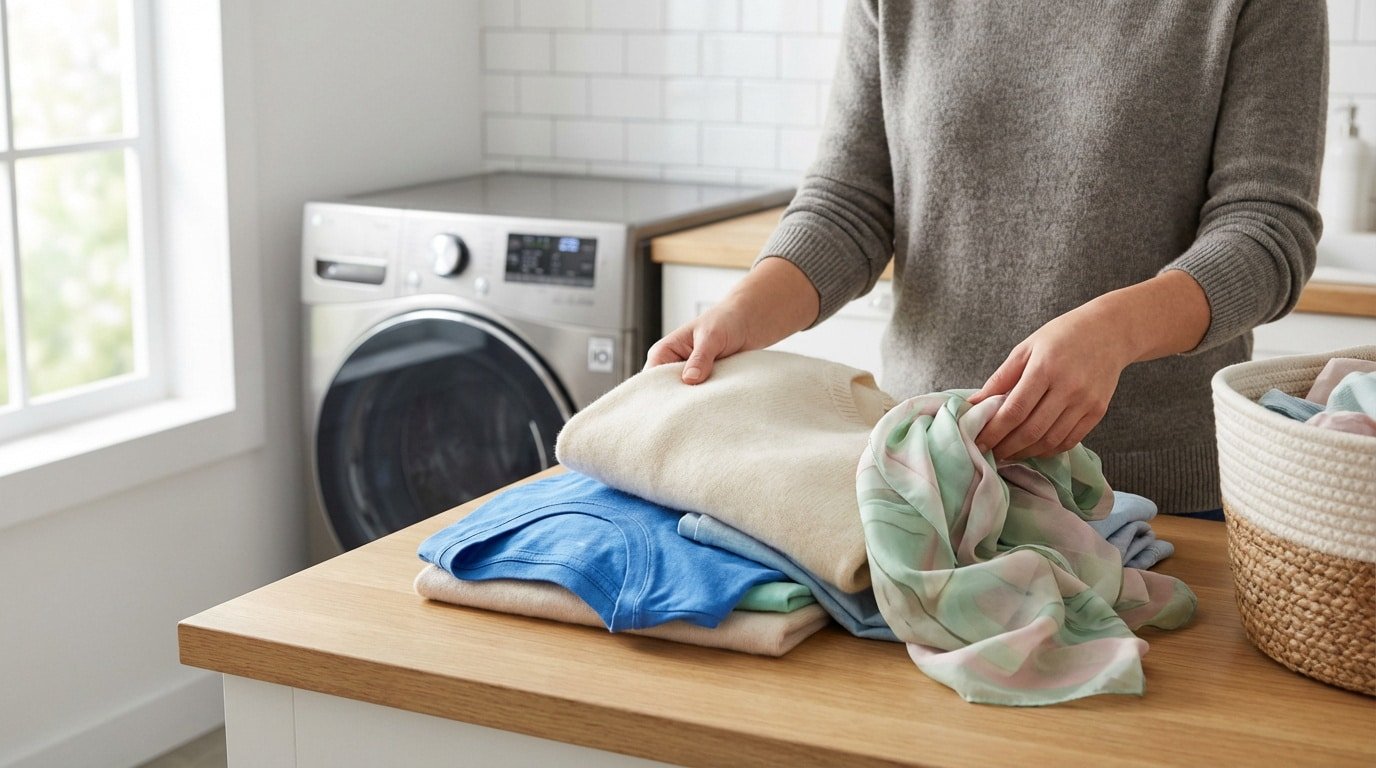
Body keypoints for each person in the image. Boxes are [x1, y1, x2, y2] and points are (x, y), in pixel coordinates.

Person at [645, 0, 1327, 516]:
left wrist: (1115, 332)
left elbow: (1266, 229)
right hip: (928, 481)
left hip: (1153, 497)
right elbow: (851, 202)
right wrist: (743, 312)